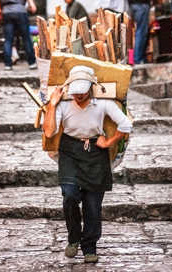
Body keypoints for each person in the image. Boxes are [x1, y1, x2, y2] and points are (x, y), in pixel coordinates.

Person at [43, 65, 132, 264]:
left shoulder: (103, 104)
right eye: (75, 92)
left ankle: (89, 246)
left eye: (83, 91)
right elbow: (49, 132)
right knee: (69, 195)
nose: (79, 95)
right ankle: (74, 238)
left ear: (91, 87)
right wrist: (52, 104)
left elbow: (126, 124)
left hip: (96, 153)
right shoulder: (64, 105)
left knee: (93, 206)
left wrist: (109, 142)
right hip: (70, 151)